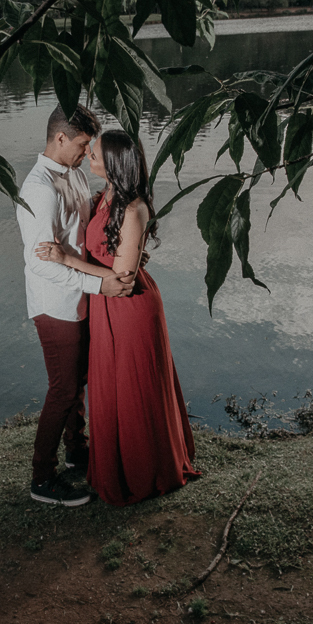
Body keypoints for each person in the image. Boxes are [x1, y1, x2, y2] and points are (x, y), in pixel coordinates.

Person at [37, 129, 200, 506]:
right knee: (109, 383)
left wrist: (66, 259)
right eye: (89, 150)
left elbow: (123, 275)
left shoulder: (134, 208)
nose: (88, 156)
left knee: (132, 384)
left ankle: (143, 469)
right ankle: (112, 461)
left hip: (128, 306)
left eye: (94, 153)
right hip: (104, 302)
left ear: (112, 164)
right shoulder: (104, 195)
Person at [17, 106, 137, 507]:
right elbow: (40, 263)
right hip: (56, 305)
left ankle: (76, 450)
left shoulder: (75, 175)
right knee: (63, 388)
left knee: (77, 383)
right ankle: (42, 477)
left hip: (82, 298)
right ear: (61, 138)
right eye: (83, 145)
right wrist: (102, 284)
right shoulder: (39, 189)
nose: (87, 154)